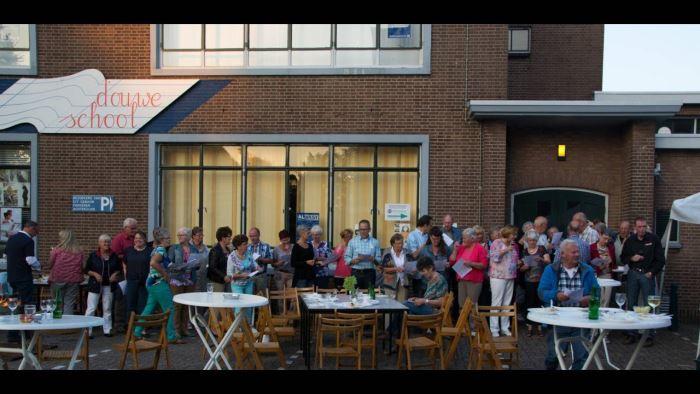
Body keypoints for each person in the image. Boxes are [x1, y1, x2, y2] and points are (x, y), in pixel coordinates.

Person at [538, 239, 596, 370]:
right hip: (558, 318)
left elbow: (596, 292)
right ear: (563, 254)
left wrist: (589, 298)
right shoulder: (551, 269)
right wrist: (556, 295)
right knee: (554, 355)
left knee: (582, 356)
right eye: (573, 252)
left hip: (580, 318)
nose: (577, 254)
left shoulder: (587, 270)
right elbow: (542, 292)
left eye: (577, 252)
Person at [621, 217, 665, 347]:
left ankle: (648, 335)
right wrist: (631, 258)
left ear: (646, 227)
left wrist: (652, 272)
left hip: (647, 274)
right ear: (635, 228)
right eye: (639, 227)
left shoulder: (653, 239)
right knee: (631, 304)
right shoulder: (630, 240)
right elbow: (623, 258)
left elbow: (661, 260)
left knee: (648, 305)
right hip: (633, 273)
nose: (642, 229)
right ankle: (631, 333)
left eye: (644, 227)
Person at [134, 227, 181, 343]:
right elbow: (153, 263)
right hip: (158, 283)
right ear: (161, 239)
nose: (169, 240)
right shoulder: (160, 250)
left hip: (151, 283)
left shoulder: (156, 249)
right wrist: (165, 274)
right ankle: (171, 336)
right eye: (167, 238)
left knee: (148, 308)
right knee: (170, 308)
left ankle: (136, 332)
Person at [5, 220, 40, 343]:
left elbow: (7, 255)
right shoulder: (28, 241)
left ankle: (13, 332)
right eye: (36, 230)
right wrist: (39, 266)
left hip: (12, 277)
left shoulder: (12, 239)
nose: (37, 233)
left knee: (14, 305)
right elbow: (30, 260)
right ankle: (27, 332)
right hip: (24, 277)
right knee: (27, 303)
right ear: (30, 228)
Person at [84, 234, 122, 337]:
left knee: (107, 308)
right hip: (95, 284)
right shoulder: (93, 255)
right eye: (104, 242)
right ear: (99, 243)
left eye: (108, 242)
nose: (106, 244)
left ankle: (107, 329)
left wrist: (115, 274)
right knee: (91, 308)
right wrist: (95, 274)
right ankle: (88, 330)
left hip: (109, 284)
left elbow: (119, 269)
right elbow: (86, 270)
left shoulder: (114, 256)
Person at [168, 227, 199, 338]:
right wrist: (181, 267)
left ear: (188, 237)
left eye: (182, 235)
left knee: (186, 305)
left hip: (190, 279)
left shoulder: (194, 249)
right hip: (177, 280)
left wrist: (196, 263)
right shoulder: (174, 248)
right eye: (178, 235)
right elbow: (169, 263)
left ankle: (184, 328)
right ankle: (176, 329)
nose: (179, 237)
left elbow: (197, 263)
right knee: (177, 305)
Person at [519, 230, 550, 337]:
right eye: (530, 240)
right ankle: (530, 326)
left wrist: (541, 259)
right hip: (529, 280)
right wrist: (525, 267)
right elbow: (521, 268)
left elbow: (548, 261)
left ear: (537, 240)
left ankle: (539, 326)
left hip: (541, 280)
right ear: (527, 241)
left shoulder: (541, 249)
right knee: (530, 302)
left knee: (539, 301)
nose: (532, 242)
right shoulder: (525, 251)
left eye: (534, 240)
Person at [488, 226, 519, 337]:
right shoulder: (496, 242)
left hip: (510, 276)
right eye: (514, 234)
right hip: (498, 276)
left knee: (507, 302)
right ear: (508, 233)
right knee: (497, 302)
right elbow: (494, 258)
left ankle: (505, 327)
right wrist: (506, 250)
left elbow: (514, 259)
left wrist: (518, 262)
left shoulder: (514, 245)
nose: (515, 236)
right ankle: (494, 329)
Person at [449, 227, 488, 309]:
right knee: (461, 305)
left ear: (472, 238)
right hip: (461, 279)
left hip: (474, 280)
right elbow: (452, 261)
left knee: (471, 305)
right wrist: (455, 250)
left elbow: (484, 265)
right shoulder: (462, 248)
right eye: (462, 237)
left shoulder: (479, 248)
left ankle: (472, 322)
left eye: (465, 238)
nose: (463, 239)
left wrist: (471, 264)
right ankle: (463, 322)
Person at [111, 218, 137, 333]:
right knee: (120, 298)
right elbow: (114, 256)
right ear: (125, 228)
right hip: (122, 272)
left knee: (131, 298)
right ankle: (119, 324)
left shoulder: (135, 239)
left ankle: (129, 322)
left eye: (135, 228)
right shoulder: (118, 239)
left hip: (133, 272)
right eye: (132, 228)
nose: (134, 230)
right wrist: (129, 256)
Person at [49, 230, 84, 316]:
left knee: (57, 302)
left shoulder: (56, 251)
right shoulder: (79, 251)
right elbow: (82, 266)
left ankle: (57, 324)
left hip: (58, 279)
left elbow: (50, 264)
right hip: (73, 279)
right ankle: (68, 325)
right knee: (69, 303)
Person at [228, 234, 262, 320]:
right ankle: (238, 327)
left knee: (248, 305)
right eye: (244, 244)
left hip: (248, 283)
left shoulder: (248, 254)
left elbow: (255, 265)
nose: (247, 245)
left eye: (247, 243)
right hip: (237, 285)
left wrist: (258, 268)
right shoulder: (232, 257)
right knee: (239, 306)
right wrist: (240, 275)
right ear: (238, 246)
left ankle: (248, 326)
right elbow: (229, 274)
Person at [123, 231, 151, 323]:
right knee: (130, 304)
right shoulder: (128, 250)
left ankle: (142, 327)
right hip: (131, 281)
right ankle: (130, 327)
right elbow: (124, 263)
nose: (138, 240)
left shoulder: (150, 251)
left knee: (142, 304)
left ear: (145, 240)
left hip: (145, 282)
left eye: (140, 238)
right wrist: (125, 274)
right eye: (136, 238)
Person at [344, 220, 381, 289]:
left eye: (365, 229)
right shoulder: (352, 242)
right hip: (355, 272)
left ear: (369, 230)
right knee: (354, 294)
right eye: (361, 229)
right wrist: (353, 261)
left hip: (370, 273)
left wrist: (373, 259)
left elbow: (379, 260)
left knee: (370, 294)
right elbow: (347, 257)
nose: (362, 231)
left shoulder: (375, 242)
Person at [590, 223, 617, 307]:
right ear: (600, 235)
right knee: (599, 298)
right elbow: (589, 262)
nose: (606, 241)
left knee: (607, 299)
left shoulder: (610, 248)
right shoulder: (592, 247)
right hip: (597, 276)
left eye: (608, 239)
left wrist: (610, 262)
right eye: (604, 238)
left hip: (608, 275)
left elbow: (614, 262)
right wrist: (598, 265)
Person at [380, 233, 410, 301]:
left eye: (402, 243)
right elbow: (383, 269)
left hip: (403, 282)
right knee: (390, 305)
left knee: (402, 305)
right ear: (393, 244)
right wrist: (396, 269)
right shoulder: (387, 253)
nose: (401, 245)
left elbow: (411, 266)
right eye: (398, 243)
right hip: (390, 282)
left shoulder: (407, 252)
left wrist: (410, 269)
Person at [247, 227, 274, 295]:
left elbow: (271, 260)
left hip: (261, 276)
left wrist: (260, 259)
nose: (252, 238)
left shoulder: (266, 246)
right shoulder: (247, 247)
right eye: (251, 236)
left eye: (254, 236)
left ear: (259, 235)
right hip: (250, 275)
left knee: (262, 296)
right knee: (251, 296)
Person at [207, 226, 233, 292]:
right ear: (223, 238)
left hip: (228, 280)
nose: (230, 238)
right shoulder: (215, 250)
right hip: (217, 281)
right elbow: (212, 267)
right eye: (229, 236)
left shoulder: (228, 249)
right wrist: (224, 276)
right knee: (218, 300)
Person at [309, 225, 335, 289]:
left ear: (321, 235)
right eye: (313, 234)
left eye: (317, 234)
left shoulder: (326, 244)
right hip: (311, 271)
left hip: (323, 272)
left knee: (323, 291)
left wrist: (324, 258)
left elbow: (331, 258)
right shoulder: (308, 245)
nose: (315, 236)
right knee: (312, 292)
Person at [190, 227, 210, 292]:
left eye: (202, 235)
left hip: (203, 277)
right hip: (191, 276)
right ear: (193, 236)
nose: (201, 237)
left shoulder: (205, 248)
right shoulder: (188, 246)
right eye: (199, 235)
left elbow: (209, 259)